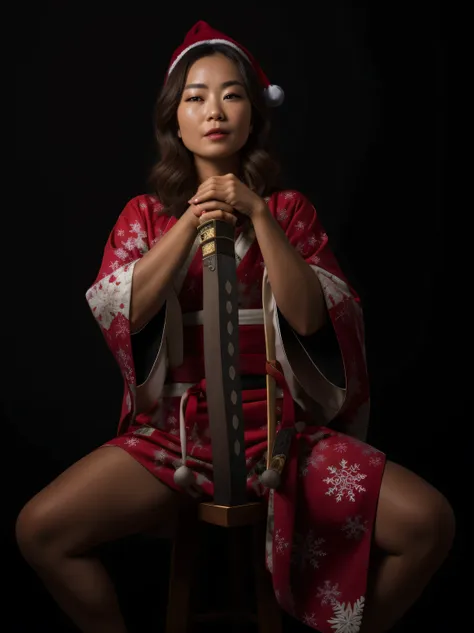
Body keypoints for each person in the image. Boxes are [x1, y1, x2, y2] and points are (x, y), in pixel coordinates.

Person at [15, 20, 454, 633]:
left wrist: (255, 213)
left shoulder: (289, 210)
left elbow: (311, 318)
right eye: (195, 96)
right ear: (175, 119)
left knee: (430, 522)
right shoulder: (144, 216)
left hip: (277, 437)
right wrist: (194, 220)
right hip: (174, 439)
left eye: (232, 94)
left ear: (253, 114)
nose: (213, 110)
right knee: (40, 530)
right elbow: (127, 310)